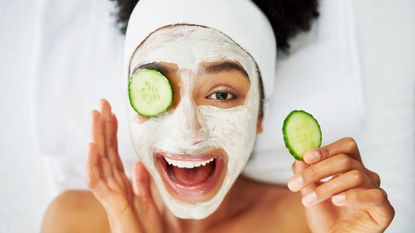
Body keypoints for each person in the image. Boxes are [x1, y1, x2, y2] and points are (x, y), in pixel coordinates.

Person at [40, 0, 394, 232]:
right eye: (156, 94)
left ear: (260, 115)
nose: (188, 132)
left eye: (222, 94)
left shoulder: (313, 220)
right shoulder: (76, 220)